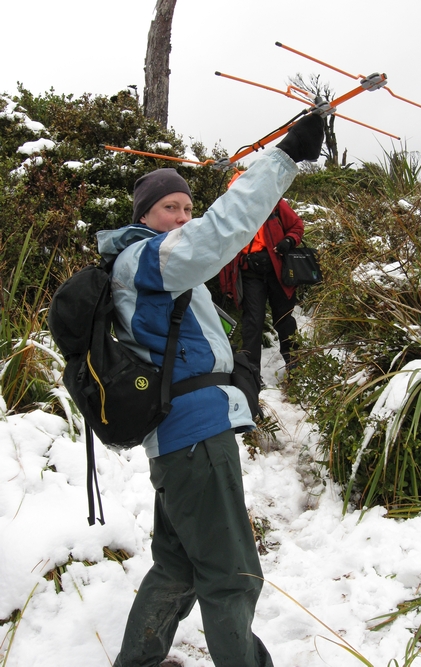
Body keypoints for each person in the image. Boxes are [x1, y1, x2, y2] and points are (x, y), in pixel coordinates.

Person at [96, 112, 324, 667]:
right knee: (232, 576)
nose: (181, 216)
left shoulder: (143, 266)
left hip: (179, 438)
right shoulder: (149, 257)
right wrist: (283, 158)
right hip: (195, 439)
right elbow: (223, 231)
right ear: (144, 216)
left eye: (185, 206)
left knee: (177, 566)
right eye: (168, 208)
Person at [219, 181, 305, 374]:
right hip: (249, 274)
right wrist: (227, 287)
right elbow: (225, 252)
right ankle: (251, 373)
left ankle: (295, 367)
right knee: (252, 322)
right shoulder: (229, 213)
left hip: (278, 271)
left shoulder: (273, 202)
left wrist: (288, 241)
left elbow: (296, 226)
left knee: (284, 319)